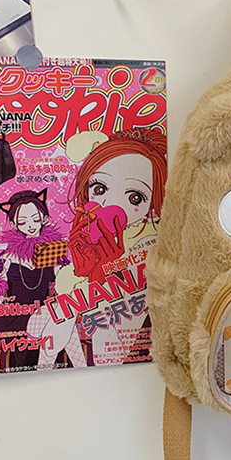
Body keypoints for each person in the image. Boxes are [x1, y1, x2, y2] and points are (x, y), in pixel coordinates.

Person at [41, 128, 167, 367]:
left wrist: (108, 273)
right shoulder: (84, 239)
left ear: (153, 207)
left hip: (130, 356)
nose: (110, 205)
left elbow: (114, 352)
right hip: (86, 357)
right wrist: (85, 271)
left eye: (135, 197)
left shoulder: (150, 249)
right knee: (52, 326)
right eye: (99, 189)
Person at [0, 188, 70, 370]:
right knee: (20, 364)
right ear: (14, 225)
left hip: (44, 316)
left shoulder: (53, 250)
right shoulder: (8, 255)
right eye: (22, 221)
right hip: (16, 319)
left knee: (49, 358)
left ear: (44, 218)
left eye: (35, 219)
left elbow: (64, 289)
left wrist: (66, 271)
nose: (30, 226)